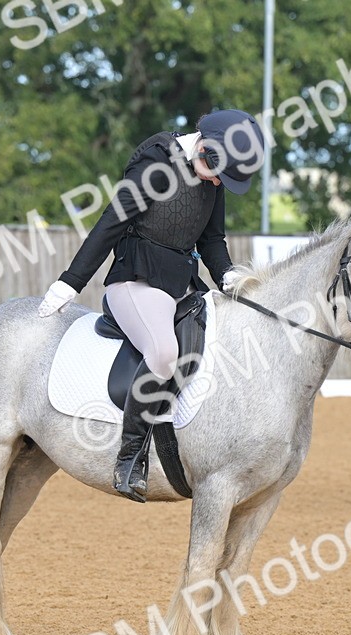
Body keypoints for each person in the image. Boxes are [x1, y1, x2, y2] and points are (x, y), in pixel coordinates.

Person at [37, 109, 265, 502]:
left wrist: (227, 274)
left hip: (182, 285)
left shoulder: (213, 177)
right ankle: (130, 458)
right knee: (163, 353)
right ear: (206, 149)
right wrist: (70, 282)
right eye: (217, 173)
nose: (216, 183)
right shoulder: (155, 163)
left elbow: (212, 240)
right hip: (135, 279)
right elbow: (112, 221)